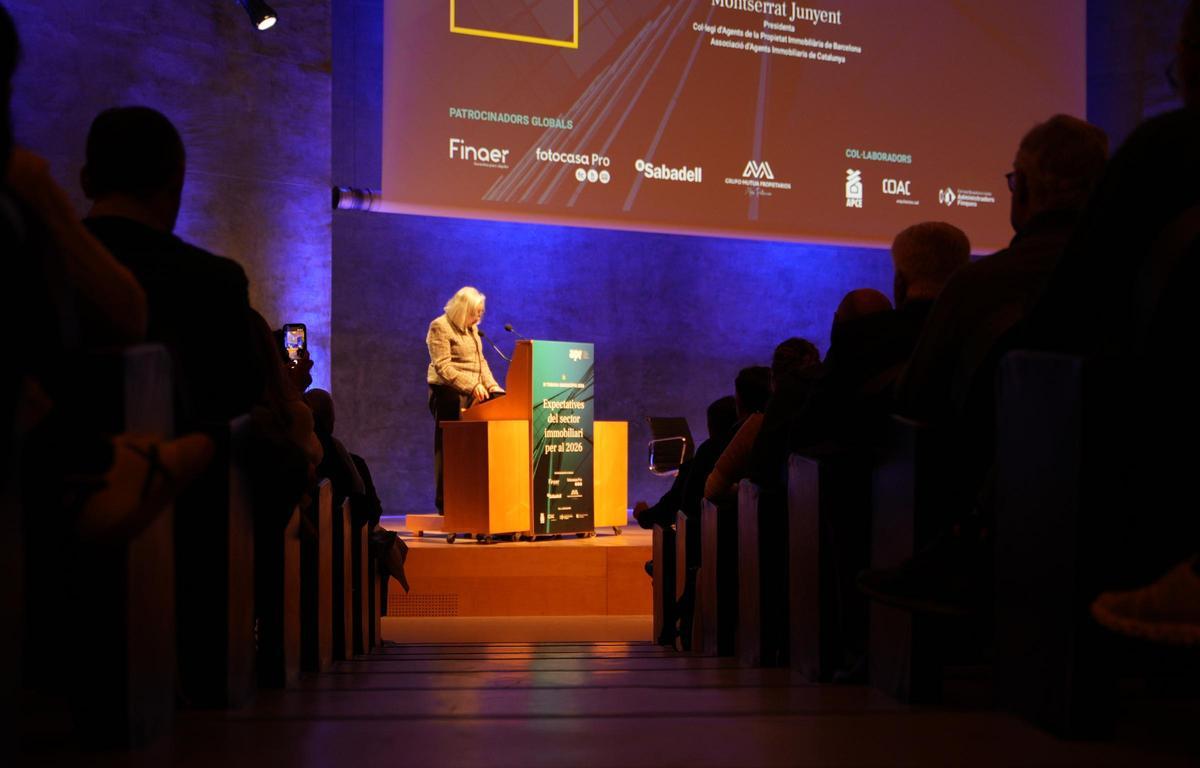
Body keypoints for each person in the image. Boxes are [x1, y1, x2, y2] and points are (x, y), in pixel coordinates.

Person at [81, 106, 262, 432]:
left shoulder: (35, 261)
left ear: (86, 180)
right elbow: (237, 404)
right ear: (177, 180)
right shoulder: (216, 282)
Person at [426, 286, 504, 513]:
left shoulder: (473, 330)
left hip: (476, 391)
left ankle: (485, 500)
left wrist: (493, 386)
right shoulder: (439, 326)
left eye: (481, 312)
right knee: (450, 447)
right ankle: (447, 504)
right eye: (475, 312)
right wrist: (472, 386)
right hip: (448, 392)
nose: (479, 317)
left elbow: (482, 363)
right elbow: (443, 367)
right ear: (462, 310)